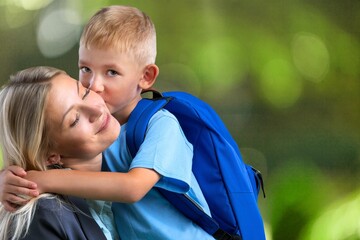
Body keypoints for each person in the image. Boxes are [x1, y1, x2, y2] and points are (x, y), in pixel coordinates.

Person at [0, 5, 214, 240]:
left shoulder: (161, 126)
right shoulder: (101, 142)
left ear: (146, 77)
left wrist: (39, 180)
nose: (95, 86)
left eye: (111, 72)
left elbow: (132, 188)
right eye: (85, 69)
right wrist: (9, 181)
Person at [0, 66, 120, 240]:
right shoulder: (45, 216)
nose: (97, 110)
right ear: (51, 156)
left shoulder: (135, 150)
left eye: (84, 93)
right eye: (75, 119)